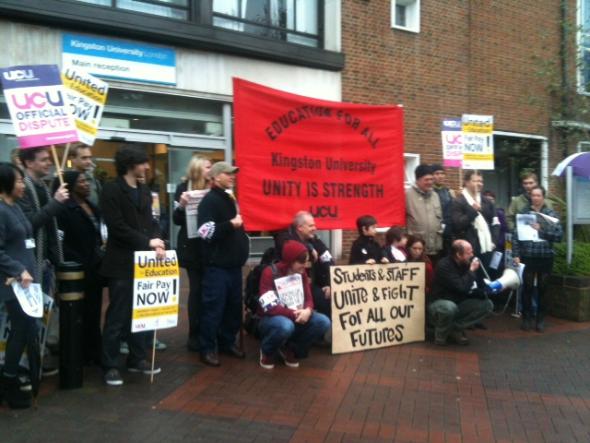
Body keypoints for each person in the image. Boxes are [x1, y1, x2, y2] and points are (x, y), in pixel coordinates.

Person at [100, 145, 166, 386]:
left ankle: (137, 358)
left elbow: (152, 221)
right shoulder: (111, 190)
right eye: (143, 163)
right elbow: (116, 227)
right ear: (130, 164)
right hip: (120, 263)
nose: (147, 167)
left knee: (141, 313)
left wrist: (158, 243)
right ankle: (110, 365)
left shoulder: (145, 190)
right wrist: (147, 240)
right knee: (118, 314)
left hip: (144, 262)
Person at [18, 147, 69, 376]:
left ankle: (37, 359)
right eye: (43, 160)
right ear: (29, 163)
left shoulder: (42, 187)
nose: (49, 163)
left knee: (43, 315)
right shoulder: (23, 190)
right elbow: (29, 225)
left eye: (50, 159)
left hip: (45, 263)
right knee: (30, 317)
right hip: (30, 266)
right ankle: (26, 366)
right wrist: (55, 203)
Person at [197, 161, 249, 367]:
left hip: (233, 267)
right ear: (217, 177)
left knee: (233, 308)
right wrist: (230, 224)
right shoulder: (209, 201)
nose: (232, 177)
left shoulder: (229, 198)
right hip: (217, 268)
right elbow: (205, 232)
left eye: (233, 174)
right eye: (228, 174)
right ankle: (207, 348)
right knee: (213, 309)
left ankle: (227, 342)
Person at [54, 170, 105, 365]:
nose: (87, 184)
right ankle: (81, 352)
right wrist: (74, 259)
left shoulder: (92, 206)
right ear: (70, 185)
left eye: (87, 180)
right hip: (77, 267)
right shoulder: (66, 209)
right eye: (81, 181)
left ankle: (94, 349)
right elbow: (62, 241)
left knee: (94, 310)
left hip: (95, 266)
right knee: (80, 312)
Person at [258, 240, 331, 369]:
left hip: (296, 313)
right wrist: (293, 314)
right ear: (290, 260)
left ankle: (291, 349)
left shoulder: (301, 274)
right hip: (271, 318)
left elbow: (308, 297)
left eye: (306, 262)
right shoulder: (269, 272)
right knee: (286, 326)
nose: (305, 266)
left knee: (323, 322)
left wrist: (308, 310)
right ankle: (267, 350)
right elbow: (269, 307)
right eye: (301, 262)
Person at [0, 163, 37, 409]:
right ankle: (8, 382)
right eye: (19, 181)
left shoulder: (15, 207)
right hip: (12, 283)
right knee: (21, 330)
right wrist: (18, 269)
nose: (23, 185)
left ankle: (17, 377)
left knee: (26, 329)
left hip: (26, 285)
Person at [173, 155, 212, 352]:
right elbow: (176, 219)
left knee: (209, 290)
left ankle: (209, 331)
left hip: (210, 247)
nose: (210, 170)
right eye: (207, 167)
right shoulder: (183, 188)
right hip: (191, 248)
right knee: (196, 290)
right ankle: (194, 334)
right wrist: (181, 205)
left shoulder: (213, 187)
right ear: (198, 169)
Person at [512, 186, 562, 332]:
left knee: (543, 289)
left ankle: (540, 319)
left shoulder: (551, 214)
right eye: (533, 195)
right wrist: (516, 254)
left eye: (538, 195)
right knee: (526, 288)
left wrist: (542, 230)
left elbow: (559, 236)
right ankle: (526, 318)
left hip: (545, 256)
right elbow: (516, 236)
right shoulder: (524, 214)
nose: (536, 198)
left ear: (543, 197)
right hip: (528, 255)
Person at [429, 240, 494, 346]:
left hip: (458, 301)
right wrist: (471, 271)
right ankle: (441, 334)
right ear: (459, 254)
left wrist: (490, 289)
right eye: (469, 253)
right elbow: (461, 287)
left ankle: (454, 328)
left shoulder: (466, 263)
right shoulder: (444, 266)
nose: (472, 255)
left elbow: (476, 285)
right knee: (450, 308)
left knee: (487, 305)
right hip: (440, 302)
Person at [274, 211, 334, 317]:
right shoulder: (284, 237)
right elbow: (289, 247)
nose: (315, 228)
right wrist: (309, 248)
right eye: (311, 226)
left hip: (310, 284)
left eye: (314, 225)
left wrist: (329, 284)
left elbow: (328, 260)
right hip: (288, 287)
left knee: (327, 297)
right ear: (300, 228)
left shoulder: (314, 239)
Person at [451, 170, 499, 261]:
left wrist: (494, 241)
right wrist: (473, 211)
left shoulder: (487, 202)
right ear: (466, 182)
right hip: (468, 250)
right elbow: (457, 225)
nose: (479, 184)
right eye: (475, 181)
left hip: (487, 247)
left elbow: (495, 223)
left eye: (481, 181)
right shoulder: (458, 202)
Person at [406, 164, 443, 264]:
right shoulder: (407, 196)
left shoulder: (435, 196)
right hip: (416, 251)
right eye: (426, 179)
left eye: (431, 179)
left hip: (435, 250)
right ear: (417, 180)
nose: (430, 182)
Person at [431, 164, 455, 255]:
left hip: (448, 233)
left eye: (442, 173)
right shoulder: (429, 192)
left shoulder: (449, 192)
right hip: (435, 231)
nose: (440, 176)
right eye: (437, 173)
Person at [69, 143, 102, 207]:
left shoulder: (93, 179)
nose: (89, 161)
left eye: (90, 158)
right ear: (73, 159)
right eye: (84, 158)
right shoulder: (68, 180)